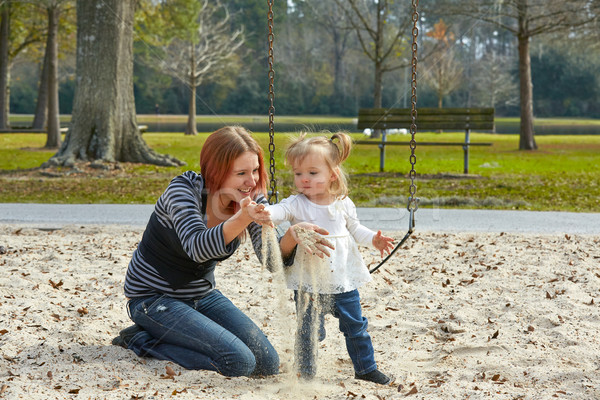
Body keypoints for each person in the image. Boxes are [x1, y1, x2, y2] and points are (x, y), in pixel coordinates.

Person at [111, 126, 332, 377]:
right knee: (237, 362)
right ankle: (140, 339)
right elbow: (196, 247)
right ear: (217, 172)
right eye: (241, 173)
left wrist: (291, 237)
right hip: (154, 299)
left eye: (255, 170)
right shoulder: (183, 191)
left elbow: (270, 259)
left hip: (202, 295)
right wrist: (242, 218)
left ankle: (175, 332)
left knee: (266, 363)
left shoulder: (251, 196)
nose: (252, 181)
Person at [265, 131, 395, 385]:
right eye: (298, 173)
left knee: (356, 326)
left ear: (332, 174)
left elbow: (356, 230)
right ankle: (305, 373)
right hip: (308, 281)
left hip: (342, 280)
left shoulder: (343, 204)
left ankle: (365, 368)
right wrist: (262, 211)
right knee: (309, 332)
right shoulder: (295, 204)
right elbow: (276, 212)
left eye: (313, 173)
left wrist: (374, 240)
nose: (304, 179)